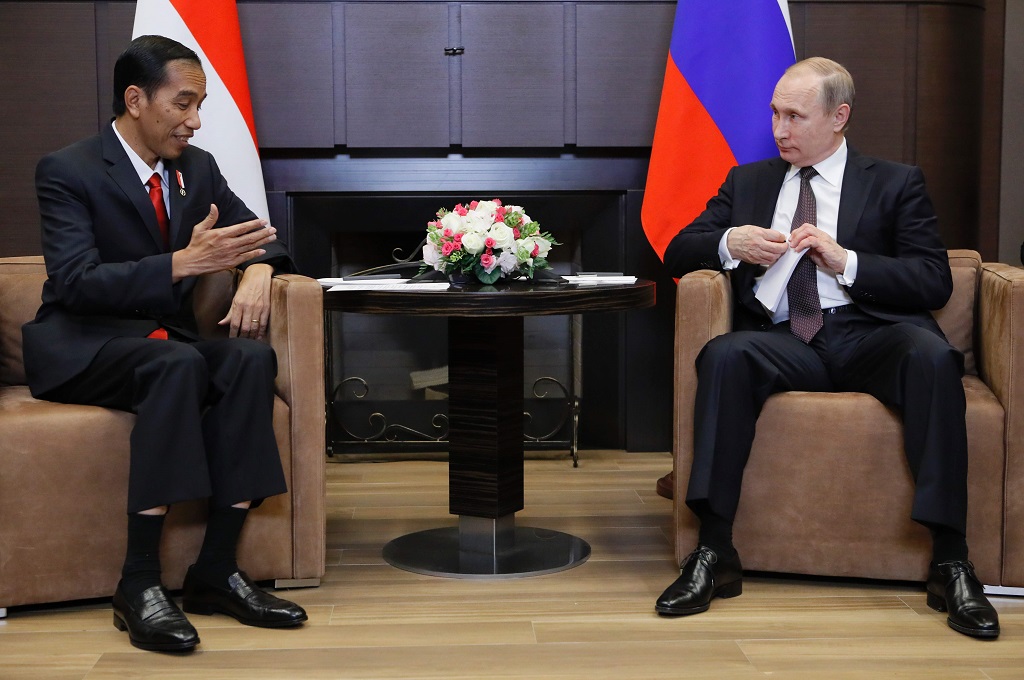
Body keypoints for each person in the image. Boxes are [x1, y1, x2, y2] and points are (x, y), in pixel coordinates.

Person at [654, 57, 999, 640]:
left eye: (795, 116)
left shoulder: (894, 181)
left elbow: (933, 280)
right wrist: (729, 242)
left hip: (871, 332)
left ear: (839, 117)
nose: (779, 129)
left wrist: (848, 262)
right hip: (785, 337)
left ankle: (951, 560)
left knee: (933, 356)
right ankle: (714, 553)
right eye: (774, 114)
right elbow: (678, 251)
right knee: (723, 355)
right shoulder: (750, 182)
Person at [23, 35, 307, 652]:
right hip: (83, 344)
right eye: (183, 103)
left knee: (249, 358)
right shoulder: (67, 169)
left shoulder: (196, 167)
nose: (195, 120)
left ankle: (216, 570)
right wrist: (181, 264)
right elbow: (73, 282)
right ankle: (140, 582)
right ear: (136, 99)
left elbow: (260, 238)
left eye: (199, 104)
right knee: (176, 361)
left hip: (160, 344)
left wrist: (258, 270)